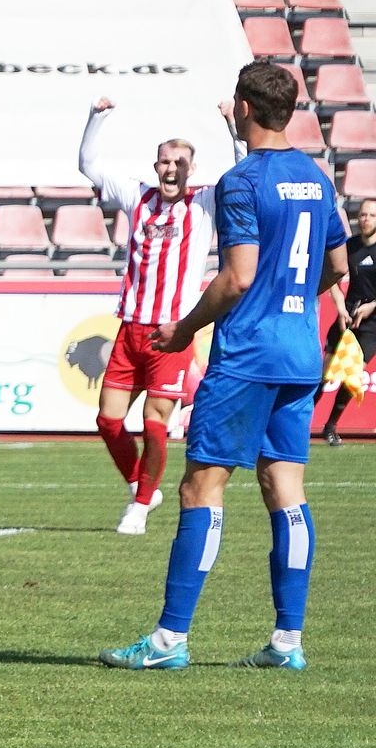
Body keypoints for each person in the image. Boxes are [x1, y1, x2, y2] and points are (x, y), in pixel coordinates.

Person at [101, 60, 347, 673]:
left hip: (248, 356)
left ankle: (168, 640)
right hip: (299, 353)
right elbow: (338, 267)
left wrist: (184, 329)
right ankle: (286, 642)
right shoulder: (316, 177)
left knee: (200, 488)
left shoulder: (242, 181)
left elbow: (236, 278)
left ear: (243, 107)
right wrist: (293, 302)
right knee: (284, 488)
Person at [78, 96, 244, 535]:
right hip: (130, 328)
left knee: (155, 422)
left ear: (192, 168)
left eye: (179, 163)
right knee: (108, 420)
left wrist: (232, 125)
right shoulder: (138, 197)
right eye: (165, 162)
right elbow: (88, 165)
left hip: (172, 333)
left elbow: (243, 169)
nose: (171, 169)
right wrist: (97, 117)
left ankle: (138, 508)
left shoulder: (205, 203)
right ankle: (143, 486)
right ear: (156, 167)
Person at [317, 198, 376, 445]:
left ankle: (331, 426)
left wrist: (372, 305)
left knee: (352, 374)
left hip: (371, 324)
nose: (366, 219)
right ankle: (298, 421)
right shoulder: (350, 246)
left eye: (371, 215)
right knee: (323, 373)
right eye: (363, 215)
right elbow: (332, 274)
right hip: (347, 316)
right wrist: (340, 305)